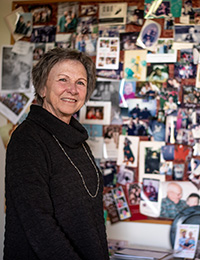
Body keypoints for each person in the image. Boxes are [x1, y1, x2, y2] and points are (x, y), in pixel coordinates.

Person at [4, 48, 110, 260]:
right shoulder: (28, 139)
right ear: (43, 87)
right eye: (63, 79)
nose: (72, 89)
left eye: (80, 82)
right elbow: (38, 224)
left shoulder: (78, 139)